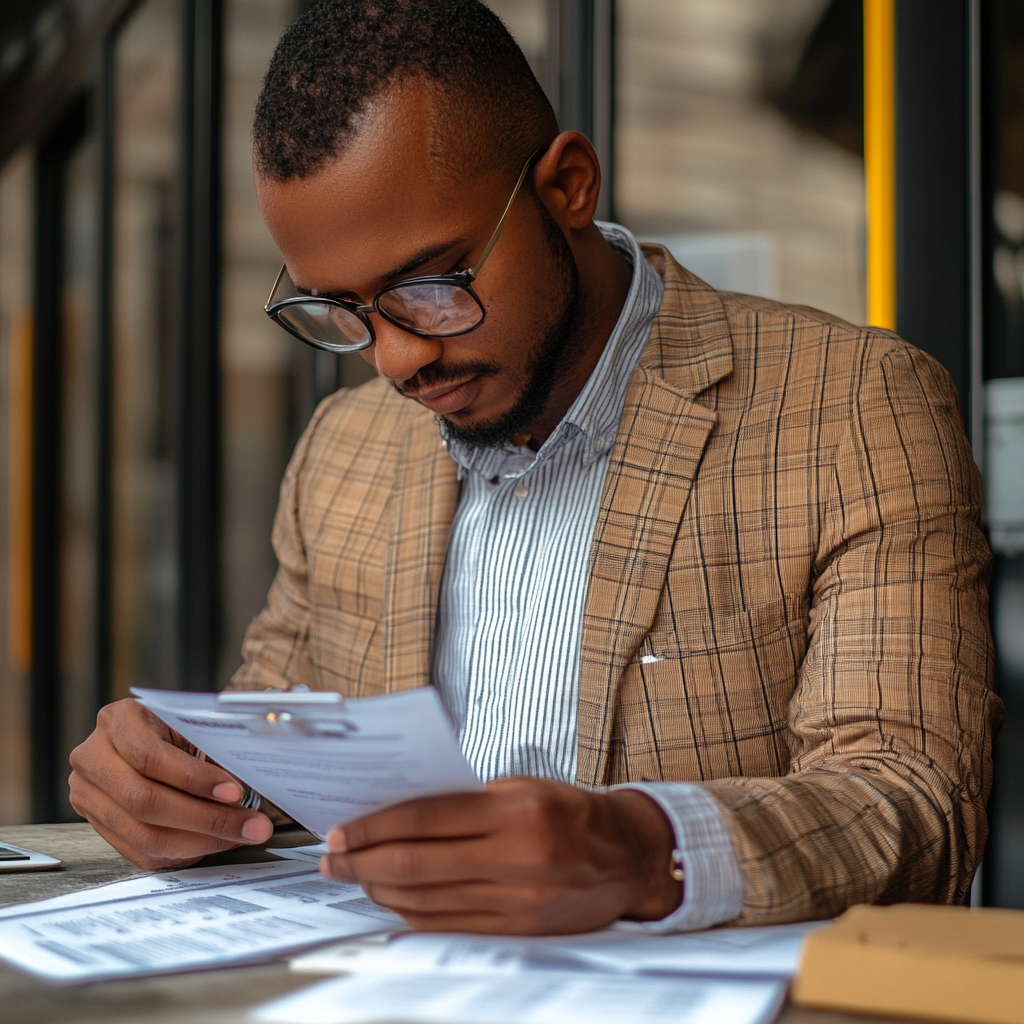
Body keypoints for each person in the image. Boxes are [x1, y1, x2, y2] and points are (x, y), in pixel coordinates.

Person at [69, 0, 1002, 936]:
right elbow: (276, 732)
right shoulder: (344, 447)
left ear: (569, 186)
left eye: (430, 286)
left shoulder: (851, 406)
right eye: (341, 310)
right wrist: (176, 778)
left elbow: (914, 804)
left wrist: (646, 848)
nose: (395, 360)